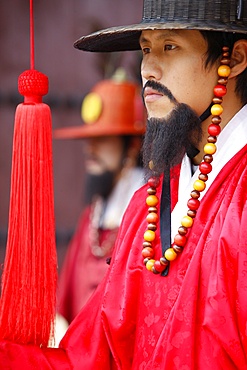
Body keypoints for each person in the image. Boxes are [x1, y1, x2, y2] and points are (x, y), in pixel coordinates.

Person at [1, 0, 247, 368]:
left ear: (238, 56)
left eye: (170, 47)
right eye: (146, 49)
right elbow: (90, 356)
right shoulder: (146, 206)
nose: (149, 67)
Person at [54, 71, 146, 324]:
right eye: (89, 139)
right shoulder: (92, 216)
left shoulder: (149, 213)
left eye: (102, 139)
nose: (90, 149)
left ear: (132, 146)